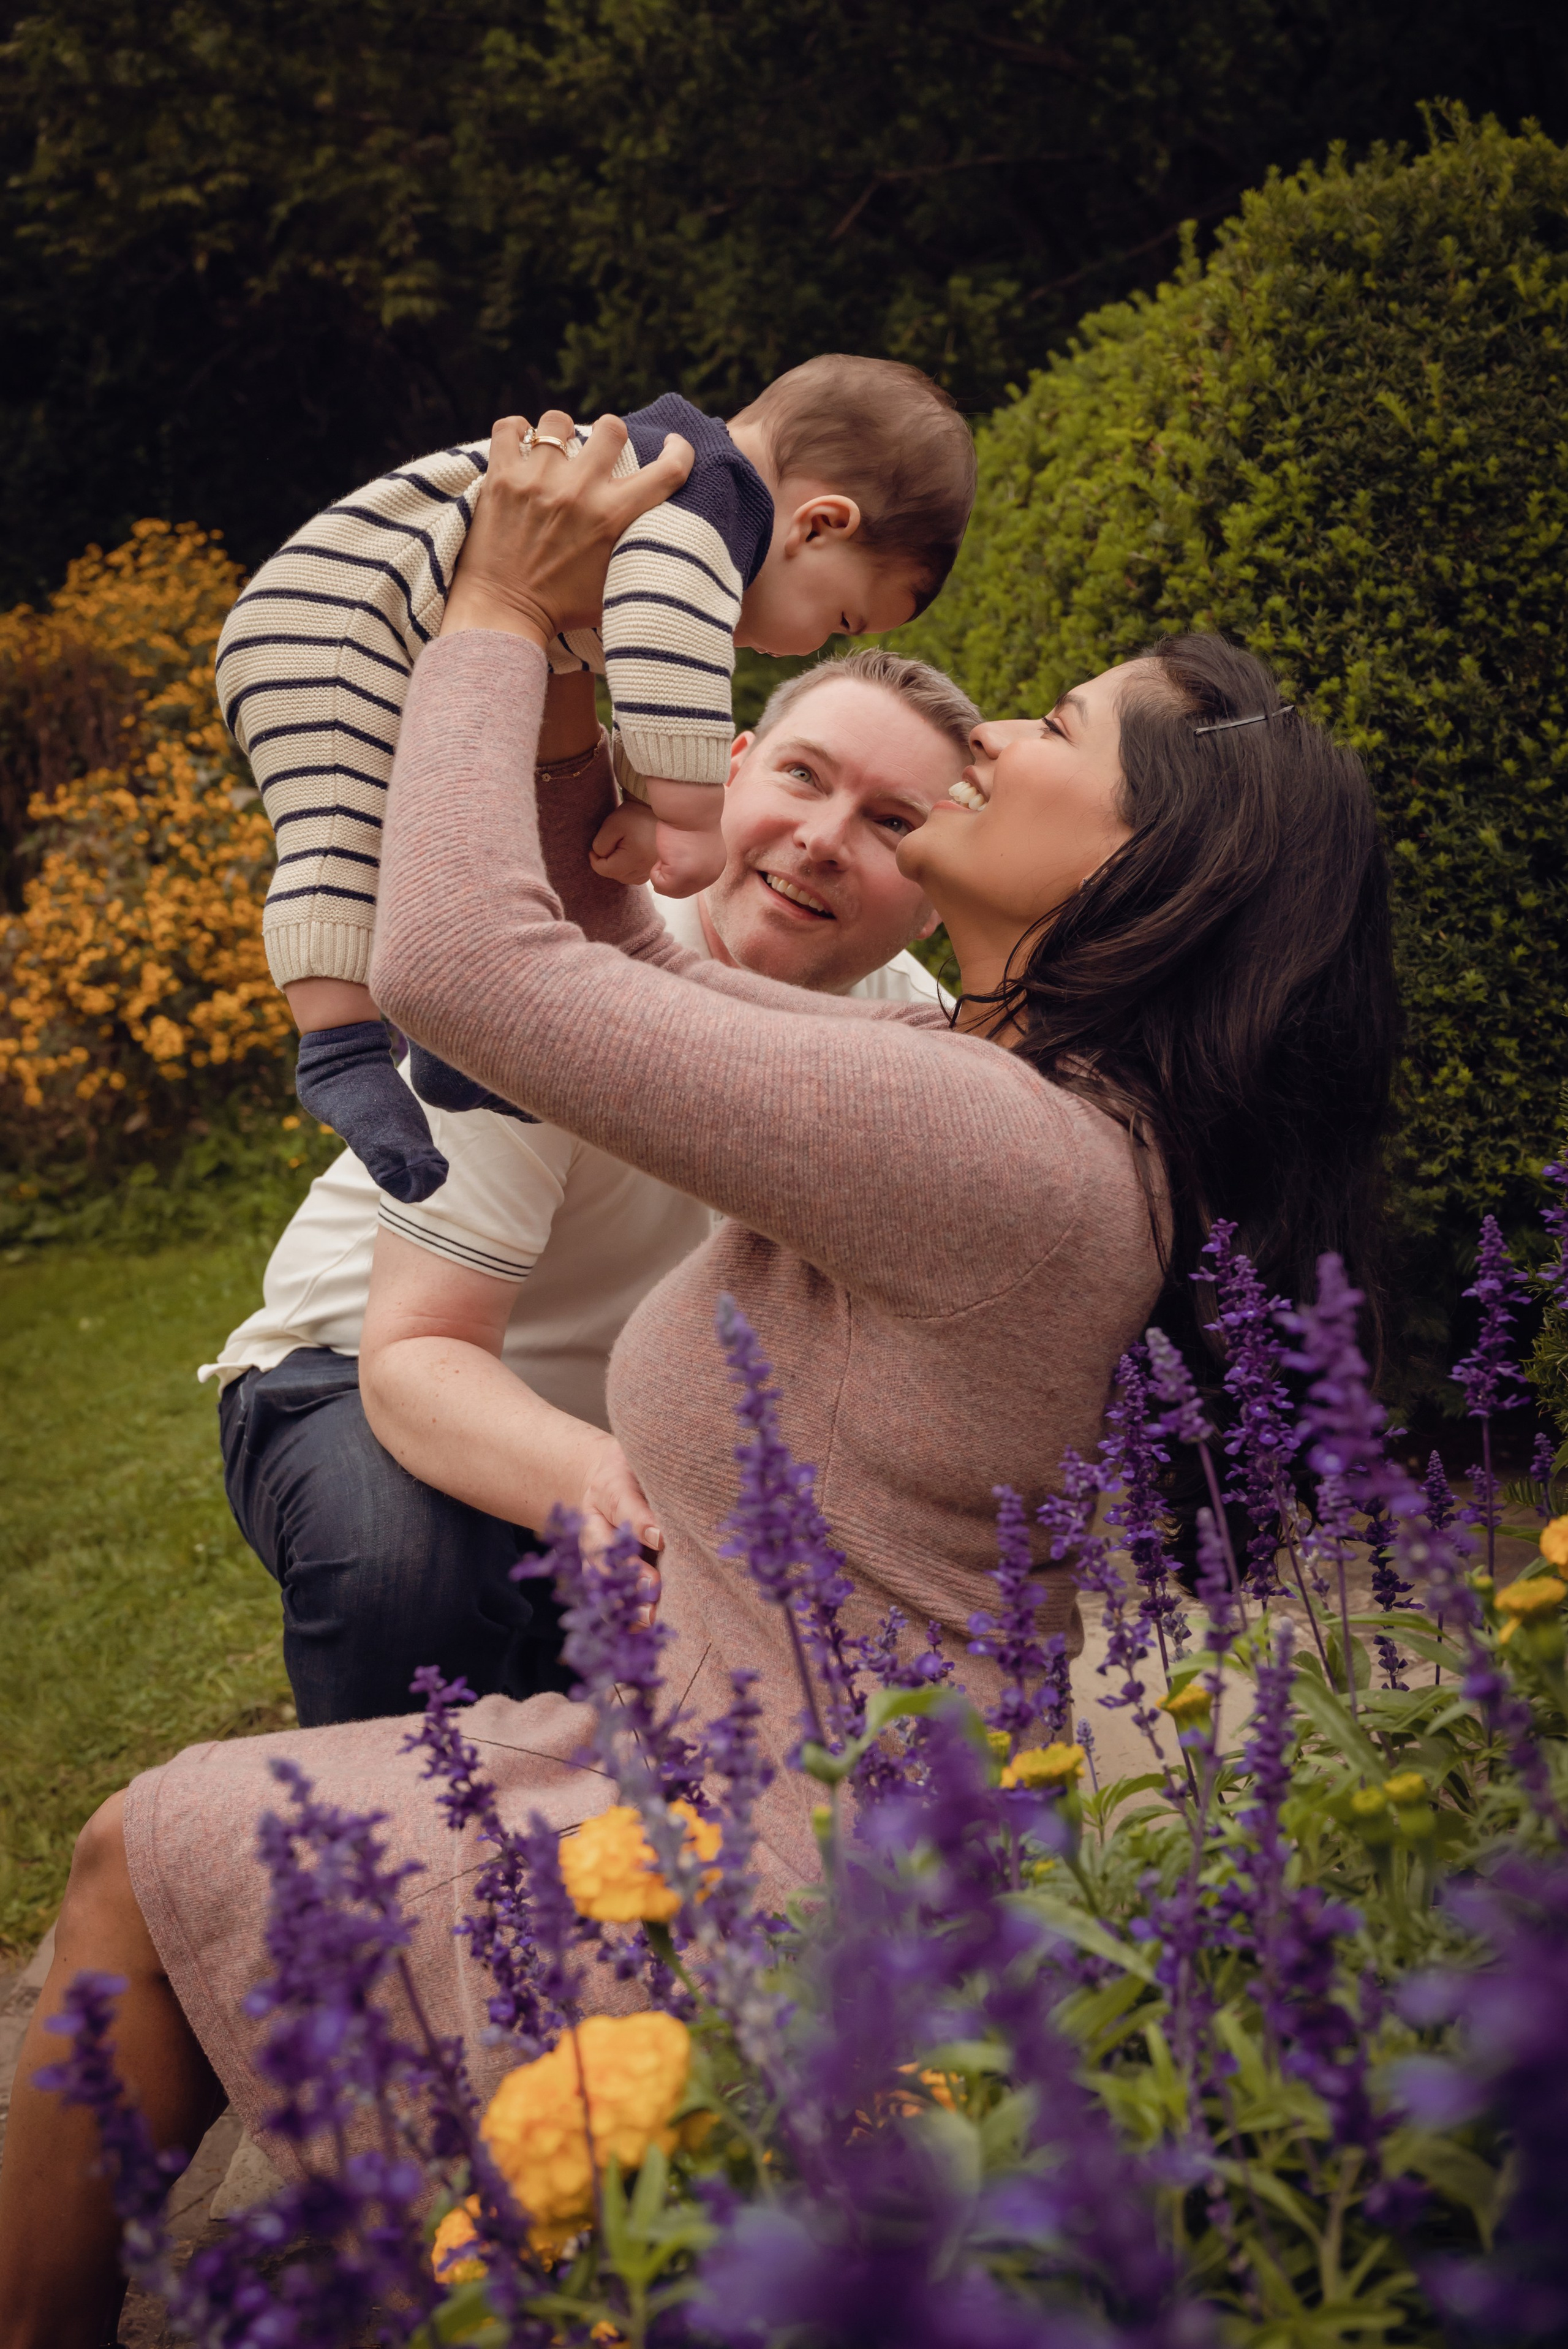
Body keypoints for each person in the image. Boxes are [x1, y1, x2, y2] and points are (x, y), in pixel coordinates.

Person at [0, 414, 1398, 2349]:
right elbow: (612, 943)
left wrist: (490, 596)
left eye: (1052, 731)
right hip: (730, 1759)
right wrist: (574, 663)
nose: (994, 742)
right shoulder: (1031, 1114)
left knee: (155, 1866)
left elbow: (460, 967)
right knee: (143, 1856)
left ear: (1149, 866)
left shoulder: (994, 1143)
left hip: (786, 1868)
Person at [206, 650, 970, 1726]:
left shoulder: (921, 1045)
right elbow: (417, 1356)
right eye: (803, 775)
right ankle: (391, 1867)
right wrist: (624, 1494)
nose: (825, 839)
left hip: (643, 1428)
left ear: (940, 895)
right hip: (365, 1371)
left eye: (894, 822)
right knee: (410, 1572)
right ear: (729, 772)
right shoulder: (556, 960)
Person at [216, 356, 976, 1205]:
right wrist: (690, 819)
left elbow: (600, 679)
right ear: (820, 525)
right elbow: (664, 645)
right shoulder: (702, 500)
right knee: (347, 825)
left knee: (469, 827)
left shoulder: (681, 491)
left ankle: (446, 1047)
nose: (813, 647)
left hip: (399, 625)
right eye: (841, 619)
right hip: (331, 624)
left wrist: (640, 797)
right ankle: (341, 1047)